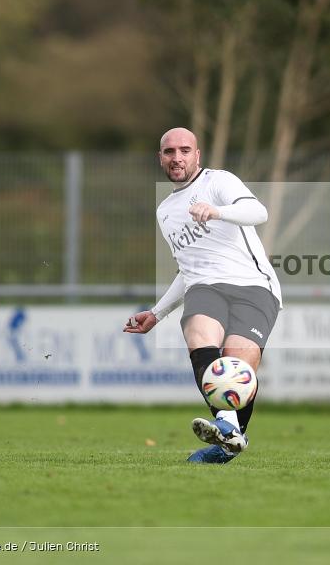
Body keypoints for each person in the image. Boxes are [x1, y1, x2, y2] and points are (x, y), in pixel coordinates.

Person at [124, 127, 282, 464]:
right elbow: (188, 269)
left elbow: (259, 212)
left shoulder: (219, 182)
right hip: (205, 287)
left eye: (184, 150)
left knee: (239, 365)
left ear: (197, 155)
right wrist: (157, 312)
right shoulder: (165, 211)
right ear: (160, 158)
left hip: (253, 285)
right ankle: (227, 428)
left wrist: (216, 211)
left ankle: (229, 436)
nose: (176, 157)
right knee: (199, 335)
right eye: (169, 152)